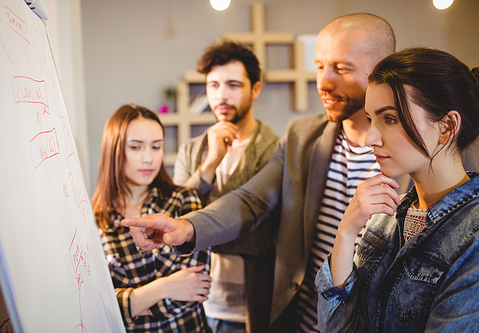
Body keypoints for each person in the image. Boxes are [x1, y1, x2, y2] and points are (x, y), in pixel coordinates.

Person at [122, 14, 479, 333]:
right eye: (320, 66)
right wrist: (188, 227)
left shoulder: (436, 174)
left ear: (380, 68)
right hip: (309, 313)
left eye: (340, 68)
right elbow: (251, 200)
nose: (323, 81)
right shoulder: (302, 137)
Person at [316, 47, 479, 332]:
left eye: (389, 119)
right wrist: (345, 233)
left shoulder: (472, 236)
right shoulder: (385, 215)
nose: (371, 138)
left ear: (447, 126)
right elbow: (337, 328)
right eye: (370, 119)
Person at [173, 40, 280, 333]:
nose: (221, 95)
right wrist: (209, 164)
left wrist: (199, 232)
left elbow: (264, 230)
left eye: (233, 85)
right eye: (213, 85)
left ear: (255, 89)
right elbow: (176, 213)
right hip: (196, 303)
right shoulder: (191, 150)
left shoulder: (277, 150)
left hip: (253, 302)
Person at [91, 104, 212, 332]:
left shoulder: (184, 200)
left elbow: (195, 287)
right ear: (114, 151)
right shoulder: (93, 221)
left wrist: (132, 302)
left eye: (156, 147)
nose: (149, 158)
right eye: (136, 147)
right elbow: (99, 307)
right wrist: (164, 287)